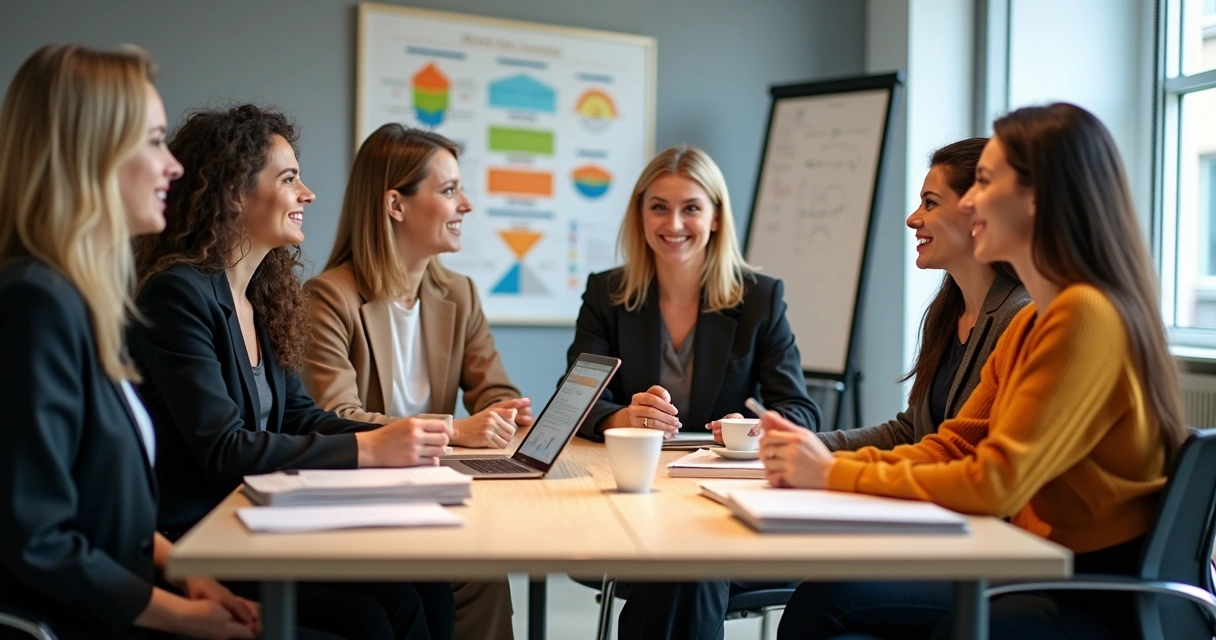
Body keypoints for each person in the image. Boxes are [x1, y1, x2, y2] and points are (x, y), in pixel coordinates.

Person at [761, 103, 1187, 640]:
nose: (974, 200)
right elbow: (951, 446)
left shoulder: (1085, 316)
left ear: (1037, 199)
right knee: (827, 605)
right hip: (1041, 567)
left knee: (835, 607)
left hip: (1097, 592)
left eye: (985, 181)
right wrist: (820, 460)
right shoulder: (1035, 320)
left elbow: (996, 484)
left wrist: (830, 473)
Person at [128, 104, 454, 640]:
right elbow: (224, 449)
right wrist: (371, 450)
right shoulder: (178, 294)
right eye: (288, 179)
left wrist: (398, 438)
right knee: (375, 614)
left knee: (426, 582)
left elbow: (300, 416)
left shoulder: (259, 296)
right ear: (234, 193)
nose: (308, 194)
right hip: (200, 534)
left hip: (252, 520)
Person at [0, 44, 260, 639]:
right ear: (88, 153)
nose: (172, 166)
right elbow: (36, 536)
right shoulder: (35, 303)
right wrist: (183, 616)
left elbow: (102, 503)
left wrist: (187, 572)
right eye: (152, 140)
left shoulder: (77, 297)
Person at [565, 144, 821, 639]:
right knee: (684, 559)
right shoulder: (607, 293)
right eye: (658, 206)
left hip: (724, 503)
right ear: (639, 213)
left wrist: (747, 431)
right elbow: (575, 398)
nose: (674, 223)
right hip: (634, 496)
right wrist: (623, 418)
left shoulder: (759, 298)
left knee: (682, 559)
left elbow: (799, 411)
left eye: (691, 208)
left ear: (717, 217)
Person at [302, 123, 524, 639]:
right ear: (395, 205)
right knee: (476, 571)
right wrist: (456, 429)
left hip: (431, 490)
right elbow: (335, 416)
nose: (465, 204)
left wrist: (508, 411)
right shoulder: (328, 297)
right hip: (361, 495)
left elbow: (493, 388)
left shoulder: (458, 294)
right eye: (449, 190)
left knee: (484, 569)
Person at [813, 138, 1029, 453]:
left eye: (930, 203)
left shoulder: (1019, 318)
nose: (913, 219)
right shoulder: (944, 315)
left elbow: (963, 453)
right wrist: (812, 443)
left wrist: (828, 468)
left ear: (976, 214)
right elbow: (912, 430)